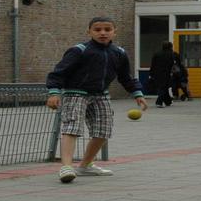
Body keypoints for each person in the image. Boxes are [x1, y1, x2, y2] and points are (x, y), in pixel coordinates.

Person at [46, 16, 148, 183]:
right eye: (97, 29)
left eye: (107, 29)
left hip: (101, 94)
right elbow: (59, 72)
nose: (102, 33)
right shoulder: (79, 50)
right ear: (89, 32)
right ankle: (66, 167)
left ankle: (85, 166)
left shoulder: (119, 53)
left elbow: (125, 77)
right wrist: (54, 92)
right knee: (72, 127)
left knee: (103, 130)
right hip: (76, 93)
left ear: (114, 32)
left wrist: (137, 93)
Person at [149, 41, 183, 108]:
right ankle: (159, 102)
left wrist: (151, 74)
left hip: (156, 74)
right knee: (163, 88)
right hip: (167, 73)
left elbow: (153, 65)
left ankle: (168, 101)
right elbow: (176, 64)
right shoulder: (172, 54)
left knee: (164, 87)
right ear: (171, 47)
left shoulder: (157, 54)